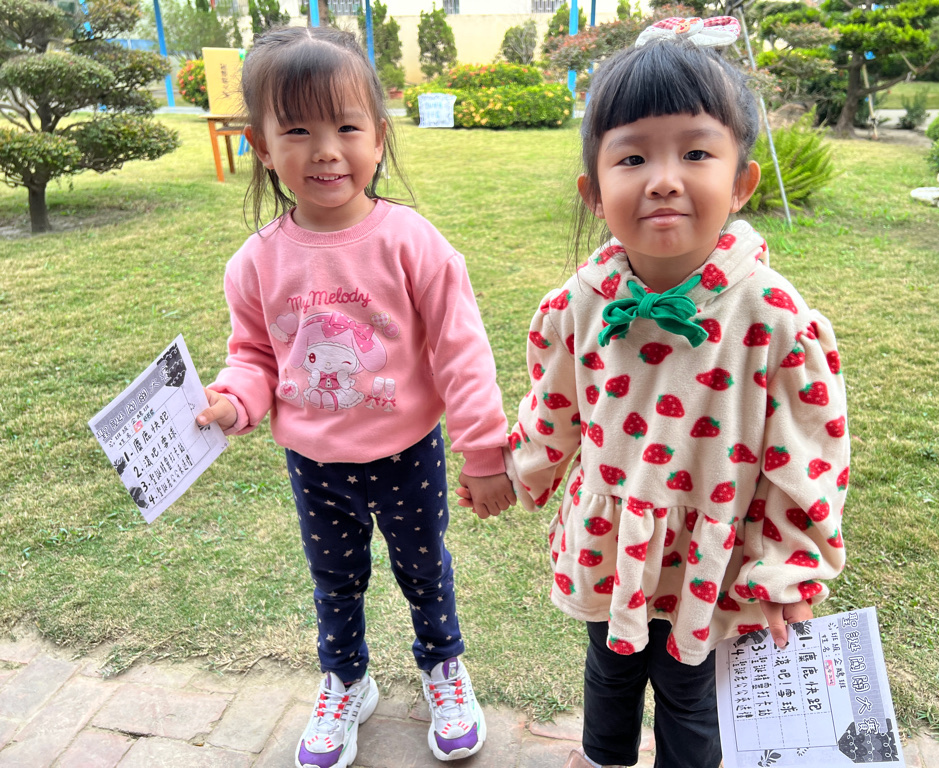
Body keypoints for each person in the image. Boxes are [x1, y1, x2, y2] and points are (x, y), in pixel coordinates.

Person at [458, 16, 849, 768]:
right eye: (633, 156)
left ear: (741, 182)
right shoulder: (580, 303)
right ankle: (603, 757)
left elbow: (807, 451)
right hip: (614, 542)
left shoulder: (773, 317)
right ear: (594, 191)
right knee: (608, 667)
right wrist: (512, 472)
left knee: (690, 687)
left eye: (695, 153)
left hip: (712, 555)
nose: (664, 178)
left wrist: (788, 564)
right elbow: (554, 410)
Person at [196, 26, 516, 768]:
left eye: (346, 127)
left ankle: (443, 668)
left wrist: (483, 451)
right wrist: (233, 401)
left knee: (424, 571)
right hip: (315, 463)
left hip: (407, 453)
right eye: (297, 131)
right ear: (261, 145)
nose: (325, 151)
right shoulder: (255, 262)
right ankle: (346, 680)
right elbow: (253, 355)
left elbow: (461, 349)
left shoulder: (413, 242)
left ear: (378, 136)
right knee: (335, 581)